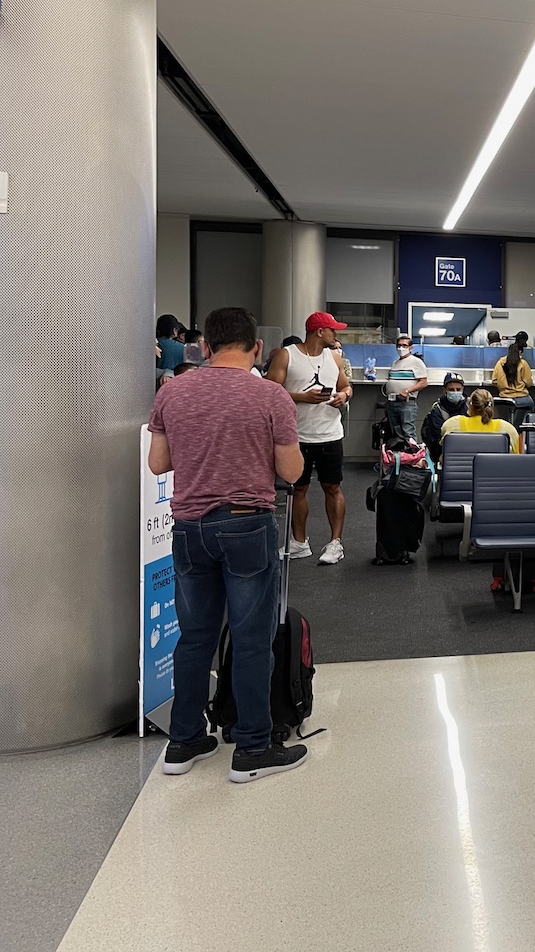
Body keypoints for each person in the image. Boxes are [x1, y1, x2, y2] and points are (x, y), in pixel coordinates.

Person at [147, 306, 308, 782]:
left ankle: (184, 741)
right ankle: (254, 748)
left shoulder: (172, 392)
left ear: (203, 346)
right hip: (246, 526)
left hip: (189, 530)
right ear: (257, 347)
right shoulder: (271, 397)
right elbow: (292, 472)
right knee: (252, 639)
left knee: (194, 638)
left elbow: (158, 464)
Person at [267, 311, 352, 566]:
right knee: (298, 489)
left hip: (330, 434)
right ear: (319, 332)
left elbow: (347, 386)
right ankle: (299, 542)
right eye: (333, 330)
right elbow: (270, 392)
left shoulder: (334, 357)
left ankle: (335, 543)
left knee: (333, 487)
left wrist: (344, 396)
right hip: (298, 436)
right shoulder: (287, 355)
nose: (336, 335)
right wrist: (301, 397)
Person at [439, 388, 521, 460]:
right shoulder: (507, 429)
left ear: (470, 406)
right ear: (491, 406)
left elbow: (444, 456)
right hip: (494, 476)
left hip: (459, 476)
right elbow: (515, 458)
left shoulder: (451, 425)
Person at [385, 333, 429, 442]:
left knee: (408, 432)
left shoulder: (416, 362)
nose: (401, 348)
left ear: (411, 348)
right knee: (395, 433)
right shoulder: (395, 363)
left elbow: (423, 382)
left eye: (404, 345)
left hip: (407, 403)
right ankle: (399, 457)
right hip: (392, 402)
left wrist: (407, 390)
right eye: (399, 345)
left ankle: (412, 457)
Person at [422, 373, 470, 460]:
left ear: (463, 389)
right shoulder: (438, 409)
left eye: (458, 389)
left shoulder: (470, 406)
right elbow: (435, 439)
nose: (455, 392)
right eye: (451, 390)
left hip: (468, 449)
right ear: (444, 390)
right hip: (444, 452)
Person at [492, 332, 535, 419]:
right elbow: (529, 383)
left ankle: (508, 425)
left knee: (504, 415)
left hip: (504, 397)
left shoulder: (500, 363)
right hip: (521, 396)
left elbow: (494, 381)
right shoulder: (523, 363)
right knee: (532, 404)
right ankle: (521, 426)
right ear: (520, 352)